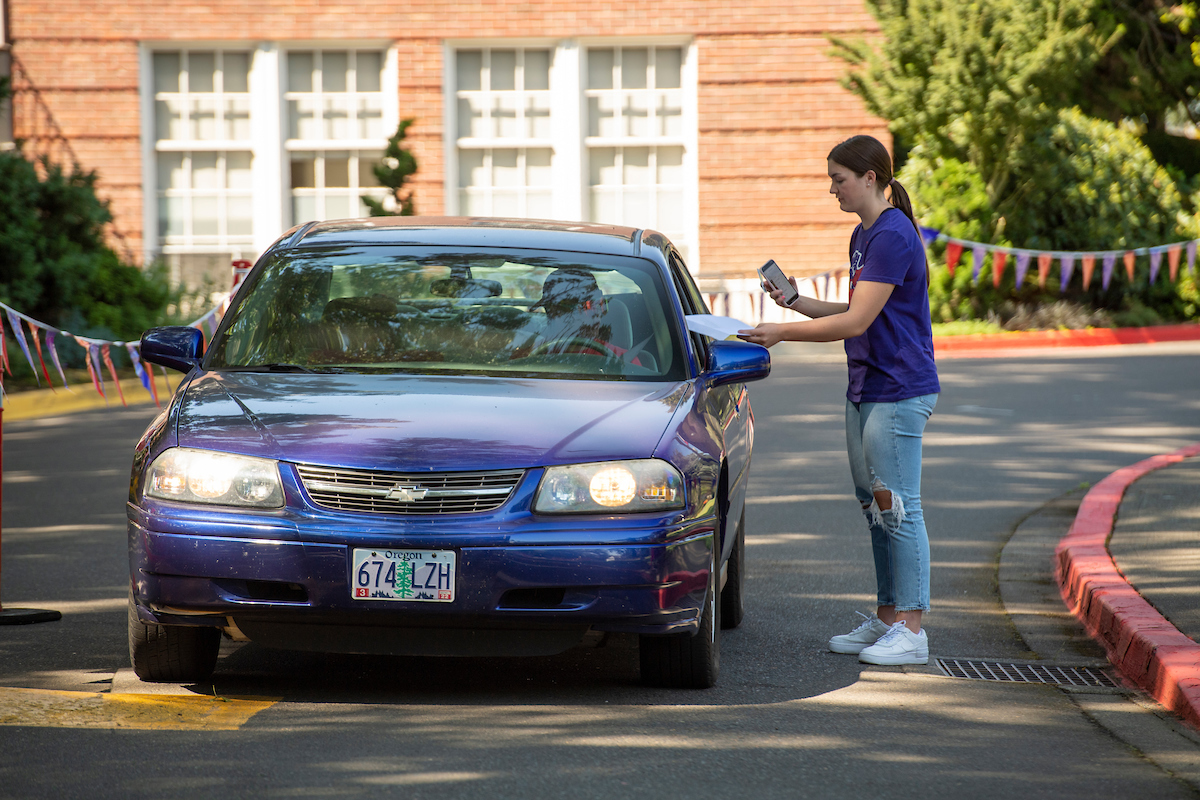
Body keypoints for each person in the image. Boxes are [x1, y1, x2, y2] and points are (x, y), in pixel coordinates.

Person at [738, 134, 940, 666]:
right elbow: (853, 305)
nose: (833, 190)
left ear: (870, 178)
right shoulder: (863, 234)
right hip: (866, 386)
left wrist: (782, 330)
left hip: (899, 388)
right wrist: (797, 301)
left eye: (839, 179)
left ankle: (913, 632)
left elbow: (855, 321)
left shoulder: (893, 234)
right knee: (875, 509)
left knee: (899, 506)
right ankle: (887, 618)